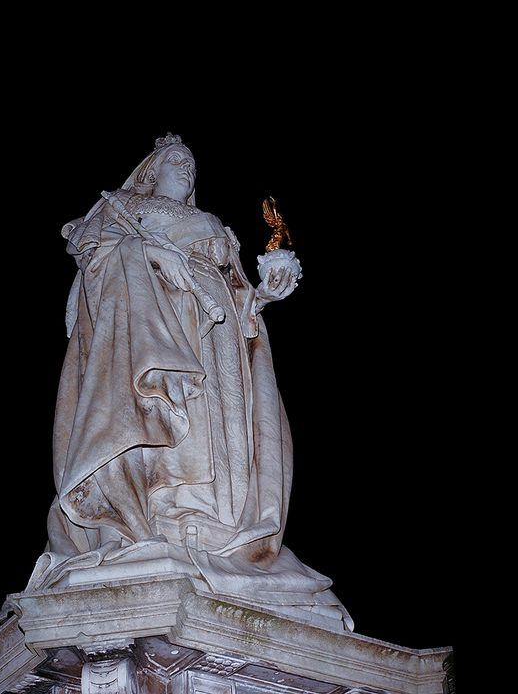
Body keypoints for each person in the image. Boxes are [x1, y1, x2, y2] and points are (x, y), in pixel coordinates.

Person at [33, 134, 351, 629]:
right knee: (167, 414)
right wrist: (150, 255)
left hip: (218, 337)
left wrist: (263, 295)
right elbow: (93, 265)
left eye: (192, 165)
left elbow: (236, 293)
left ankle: (210, 523)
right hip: (152, 325)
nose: (187, 169)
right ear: (151, 171)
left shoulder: (214, 225)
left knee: (217, 426)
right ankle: (165, 516)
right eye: (177, 161)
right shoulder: (125, 208)